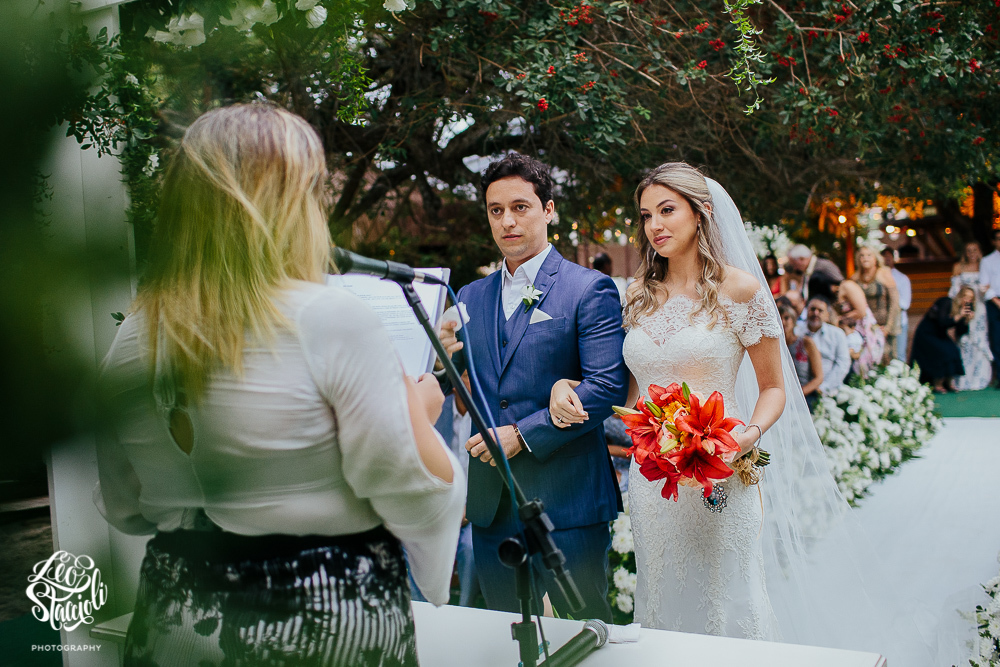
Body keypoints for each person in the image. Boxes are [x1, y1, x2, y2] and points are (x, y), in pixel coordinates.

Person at [94, 105, 465, 667]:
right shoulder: (331, 319)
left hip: (175, 610)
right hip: (321, 612)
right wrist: (419, 410)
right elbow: (416, 494)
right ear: (291, 202)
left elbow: (123, 504)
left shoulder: (134, 333)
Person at [545, 163, 926, 663]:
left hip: (721, 470)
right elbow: (626, 390)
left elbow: (774, 388)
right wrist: (564, 386)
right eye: (646, 215)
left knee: (726, 602)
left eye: (667, 210)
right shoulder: (637, 295)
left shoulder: (739, 289)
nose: (655, 225)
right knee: (662, 598)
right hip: (654, 481)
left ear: (701, 212)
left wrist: (746, 435)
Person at [438, 152, 628, 621]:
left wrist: (522, 435)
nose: (507, 221)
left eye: (520, 207)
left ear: (548, 210)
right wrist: (438, 358)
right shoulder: (469, 296)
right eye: (495, 210)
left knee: (583, 631)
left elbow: (607, 386)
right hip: (492, 503)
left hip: (568, 500)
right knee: (505, 634)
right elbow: (449, 381)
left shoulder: (589, 288)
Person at [910, 286, 976, 392]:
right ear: (960, 296)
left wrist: (966, 320)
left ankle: (949, 383)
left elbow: (960, 332)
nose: (967, 300)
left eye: (970, 298)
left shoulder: (961, 310)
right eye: (965, 296)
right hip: (927, 333)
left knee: (953, 350)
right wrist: (958, 316)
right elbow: (942, 322)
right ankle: (938, 383)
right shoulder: (946, 302)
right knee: (943, 352)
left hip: (939, 334)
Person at [950, 241, 994, 390]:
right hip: (965, 305)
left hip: (980, 307)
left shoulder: (984, 266)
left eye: (974, 250)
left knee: (980, 339)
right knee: (965, 339)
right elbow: (954, 290)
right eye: (969, 250)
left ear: (979, 251)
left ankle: (980, 377)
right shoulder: (959, 267)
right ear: (965, 253)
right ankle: (964, 378)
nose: (972, 253)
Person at [851, 245, 900, 364]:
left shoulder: (884, 274)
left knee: (886, 360)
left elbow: (894, 302)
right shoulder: (855, 278)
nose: (865, 258)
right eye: (862, 256)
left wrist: (888, 327)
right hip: (864, 327)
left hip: (884, 326)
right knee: (865, 360)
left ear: (875, 258)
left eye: (869, 255)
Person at [835, 274, 886, 377]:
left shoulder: (847, 286)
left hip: (864, 332)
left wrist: (839, 320)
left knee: (865, 369)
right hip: (850, 332)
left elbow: (861, 312)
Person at [802, 296, 851, 396]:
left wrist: (823, 387)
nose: (815, 313)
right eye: (812, 309)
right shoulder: (797, 331)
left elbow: (843, 363)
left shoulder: (837, 334)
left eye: (820, 310)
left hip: (825, 391)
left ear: (827, 315)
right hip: (799, 387)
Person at [781, 302, 824, 409]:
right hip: (781, 396)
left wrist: (798, 395)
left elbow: (818, 378)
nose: (782, 322)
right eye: (779, 318)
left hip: (805, 395)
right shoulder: (776, 347)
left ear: (793, 321)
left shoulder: (806, 342)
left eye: (786, 318)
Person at [882, 248, 911, 362]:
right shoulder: (878, 278)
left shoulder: (902, 278)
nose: (886, 259)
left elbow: (905, 304)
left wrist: (891, 300)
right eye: (884, 256)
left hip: (899, 321)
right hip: (881, 322)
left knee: (899, 355)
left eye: (889, 256)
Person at [984, 228, 1000, 388]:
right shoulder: (987, 261)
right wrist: (997, 302)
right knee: (997, 340)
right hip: (994, 304)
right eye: (999, 239)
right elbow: (984, 285)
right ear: (993, 241)